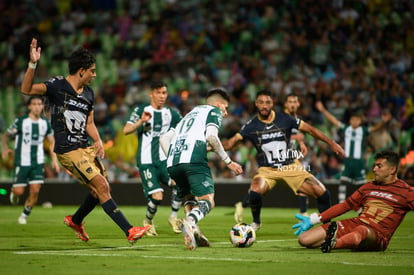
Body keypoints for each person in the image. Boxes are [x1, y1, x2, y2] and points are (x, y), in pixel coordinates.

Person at [20, 38, 149, 244]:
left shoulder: (88, 93)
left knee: (99, 190)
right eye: (92, 71)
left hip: (84, 147)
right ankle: (129, 230)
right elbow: (26, 89)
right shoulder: (56, 86)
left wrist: (97, 140)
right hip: (68, 150)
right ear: (81, 70)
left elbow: (89, 122)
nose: (94, 75)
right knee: (102, 186)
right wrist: (33, 64)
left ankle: (76, 220)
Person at [223, 89, 345, 232]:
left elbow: (310, 130)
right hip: (267, 170)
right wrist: (210, 146)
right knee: (255, 191)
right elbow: (231, 143)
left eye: (267, 102)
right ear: (256, 104)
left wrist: (331, 143)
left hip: (290, 166)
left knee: (323, 193)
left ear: (272, 103)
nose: (264, 106)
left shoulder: (285, 118)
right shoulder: (251, 125)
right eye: (261, 102)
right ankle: (256, 223)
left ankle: (327, 228)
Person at [160, 87, 243, 250]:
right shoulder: (213, 112)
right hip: (194, 160)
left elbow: (164, 139)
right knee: (208, 200)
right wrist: (229, 162)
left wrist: (172, 158)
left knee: (189, 197)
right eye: (225, 108)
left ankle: (194, 230)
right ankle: (190, 221)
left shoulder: (188, 115)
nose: (225, 113)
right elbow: (211, 137)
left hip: (173, 162)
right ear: (219, 105)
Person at [293, 150, 414, 253]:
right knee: (305, 239)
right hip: (356, 223)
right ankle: (341, 241)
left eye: (379, 166)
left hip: (377, 234)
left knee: (361, 231)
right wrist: (314, 219)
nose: (374, 169)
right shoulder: (368, 186)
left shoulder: (407, 192)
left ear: (392, 169)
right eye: (374, 165)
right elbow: (345, 206)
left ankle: (334, 244)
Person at [123, 81, 183, 236]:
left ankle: (173, 217)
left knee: (179, 184)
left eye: (164, 93)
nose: (161, 96)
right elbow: (126, 130)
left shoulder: (171, 113)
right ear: (151, 93)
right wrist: (141, 121)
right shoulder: (141, 110)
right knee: (157, 196)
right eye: (158, 92)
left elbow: (184, 127)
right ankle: (148, 221)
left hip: (164, 160)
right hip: (146, 161)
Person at [315, 101, 392, 203]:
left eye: (357, 119)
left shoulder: (363, 130)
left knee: (361, 185)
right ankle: (341, 203)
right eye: (353, 119)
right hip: (348, 160)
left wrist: (383, 122)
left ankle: (362, 204)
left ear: (360, 121)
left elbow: (375, 128)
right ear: (350, 120)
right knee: (343, 182)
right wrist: (323, 110)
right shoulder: (346, 129)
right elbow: (334, 121)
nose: (354, 121)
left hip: (358, 161)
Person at [1, 95, 60, 224]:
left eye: (40, 104)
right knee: (19, 191)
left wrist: (54, 159)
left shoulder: (45, 123)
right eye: (34, 104)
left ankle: (24, 215)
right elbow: (6, 135)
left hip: (38, 161)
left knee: (35, 189)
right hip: (22, 161)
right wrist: (5, 149)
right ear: (29, 106)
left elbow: (51, 141)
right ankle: (14, 192)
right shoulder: (21, 121)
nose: (37, 107)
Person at [284, 93, 309, 216]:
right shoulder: (282, 118)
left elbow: (297, 137)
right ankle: (243, 204)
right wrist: (297, 137)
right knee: (262, 187)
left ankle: (303, 214)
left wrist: (302, 143)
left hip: (291, 158)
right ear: (286, 104)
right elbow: (277, 136)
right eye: (290, 102)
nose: (293, 104)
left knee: (303, 184)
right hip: (278, 158)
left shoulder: (297, 120)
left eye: (295, 102)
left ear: (298, 104)